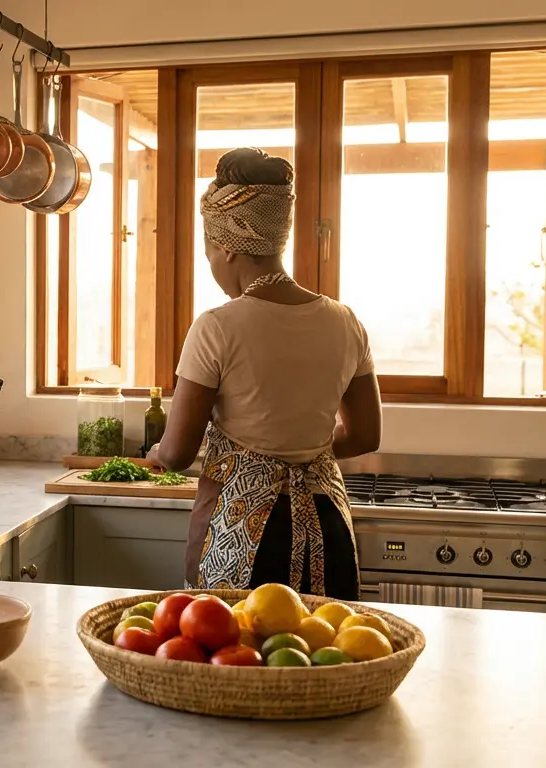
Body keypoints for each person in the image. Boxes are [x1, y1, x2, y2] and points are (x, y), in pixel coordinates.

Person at [146, 147, 382, 600]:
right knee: (323, 652)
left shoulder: (216, 326)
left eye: (210, 253)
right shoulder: (344, 320)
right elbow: (366, 435)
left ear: (229, 247)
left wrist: (158, 450)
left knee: (234, 659)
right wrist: (299, 450)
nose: (212, 266)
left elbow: (177, 453)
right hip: (325, 526)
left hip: (243, 532)